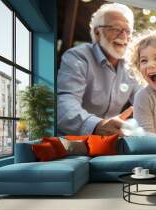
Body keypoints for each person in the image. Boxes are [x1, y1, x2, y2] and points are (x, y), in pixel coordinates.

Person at [57, 3, 140, 136]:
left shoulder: (131, 65)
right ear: (97, 32)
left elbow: (144, 100)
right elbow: (64, 102)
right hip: (75, 142)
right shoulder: (78, 57)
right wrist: (96, 125)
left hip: (110, 142)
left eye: (128, 30)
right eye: (116, 28)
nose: (124, 35)